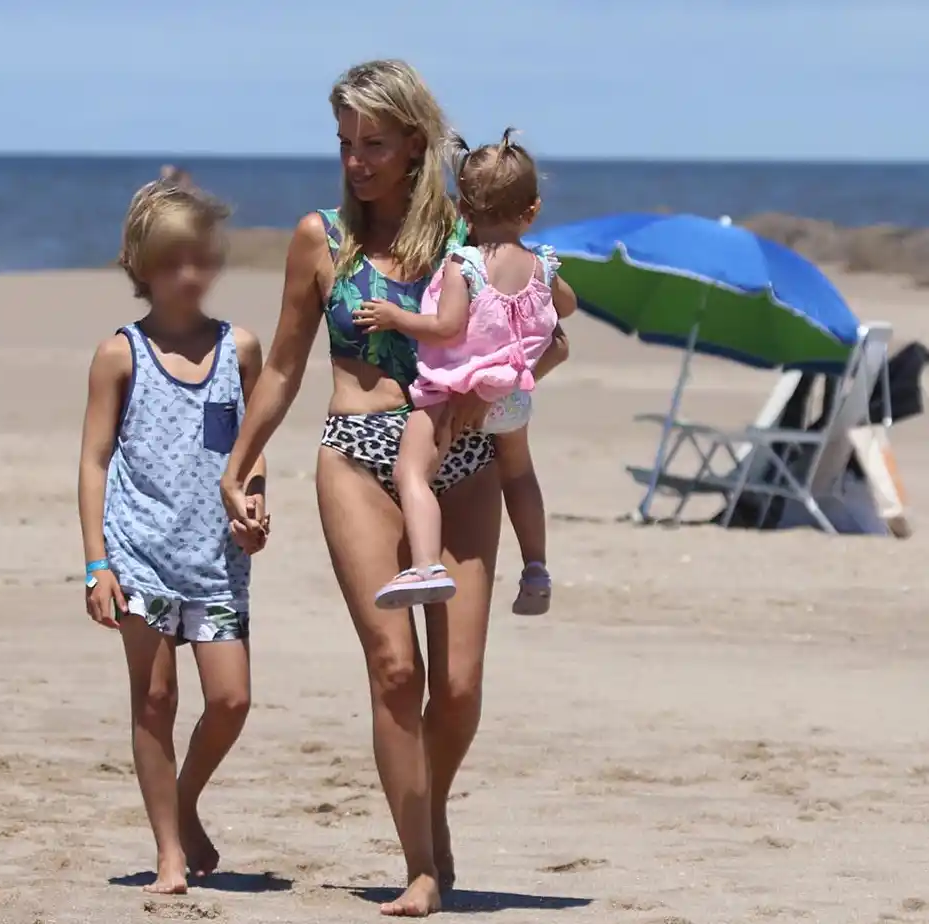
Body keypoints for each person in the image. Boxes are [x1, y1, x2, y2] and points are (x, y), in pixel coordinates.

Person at [219, 59, 568, 917]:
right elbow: (285, 366)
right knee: (392, 669)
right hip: (353, 453)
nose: (355, 160)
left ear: (415, 143)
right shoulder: (321, 239)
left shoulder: (468, 234)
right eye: (344, 142)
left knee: (459, 685)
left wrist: (488, 392)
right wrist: (240, 464)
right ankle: (420, 864)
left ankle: (429, 807)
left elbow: (552, 328)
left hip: (463, 461)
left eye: (373, 143)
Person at [77, 180, 269, 895]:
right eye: (171, 261)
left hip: (216, 558)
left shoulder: (239, 349)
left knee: (231, 699)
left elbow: (251, 449)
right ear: (140, 265)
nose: (189, 274)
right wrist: (97, 564)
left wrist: (255, 506)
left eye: (200, 258)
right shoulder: (119, 354)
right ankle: (168, 853)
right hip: (139, 554)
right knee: (154, 700)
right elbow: (94, 461)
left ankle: (182, 803)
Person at [355, 130, 576, 612]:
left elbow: (445, 327)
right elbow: (567, 307)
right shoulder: (543, 265)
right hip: (511, 398)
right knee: (519, 475)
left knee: (412, 470)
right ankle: (536, 568)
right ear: (533, 210)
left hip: (451, 394)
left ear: (463, 210)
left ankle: (426, 564)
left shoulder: (465, 264)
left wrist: (395, 317)